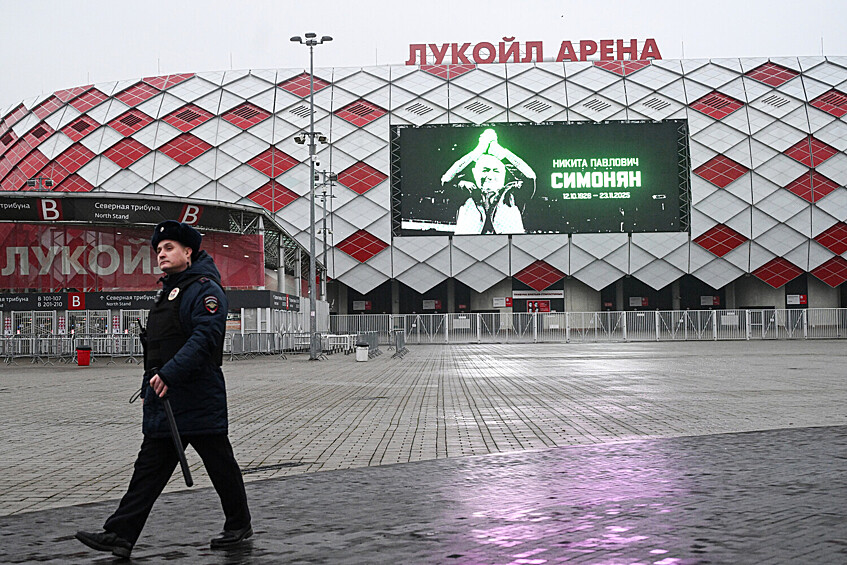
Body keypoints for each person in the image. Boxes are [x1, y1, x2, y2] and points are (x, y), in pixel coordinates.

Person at [75, 220, 252, 558]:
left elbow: (205, 339)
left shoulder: (205, 290)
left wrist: (169, 374)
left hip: (197, 397)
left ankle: (239, 524)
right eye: (158, 250)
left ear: (189, 251)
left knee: (221, 466)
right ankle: (120, 535)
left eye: (169, 247)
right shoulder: (171, 290)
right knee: (148, 471)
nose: (161, 254)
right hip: (165, 399)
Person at [441, 128, 536, 234]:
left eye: (496, 171)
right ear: (475, 173)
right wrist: (475, 153)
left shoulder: (513, 193)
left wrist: (502, 155)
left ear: (504, 174)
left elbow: (530, 177)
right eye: (485, 170)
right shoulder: (465, 192)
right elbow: (446, 180)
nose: (490, 176)